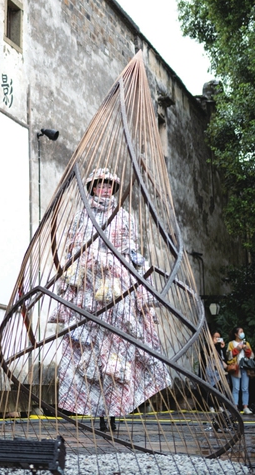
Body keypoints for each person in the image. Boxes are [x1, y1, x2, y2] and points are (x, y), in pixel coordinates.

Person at [53, 168, 171, 430]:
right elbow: (73, 248)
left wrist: (141, 269)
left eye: (109, 186)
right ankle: (96, 411)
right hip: (89, 289)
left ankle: (114, 413)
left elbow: (130, 249)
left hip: (117, 289)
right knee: (90, 352)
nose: (105, 189)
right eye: (100, 185)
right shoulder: (82, 216)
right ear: (93, 188)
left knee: (117, 351)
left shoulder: (123, 217)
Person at [227, 327, 254, 414]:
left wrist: (246, 349)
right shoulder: (231, 344)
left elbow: (251, 356)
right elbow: (229, 356)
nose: (243, 333)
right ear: (236, 334)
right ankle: (235, 406)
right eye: (241, 331)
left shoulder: (247, 343)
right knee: (236, 388)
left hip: (245, 367)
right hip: (236, 368)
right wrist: (238, 348)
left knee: (245, 388)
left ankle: (245, 406)